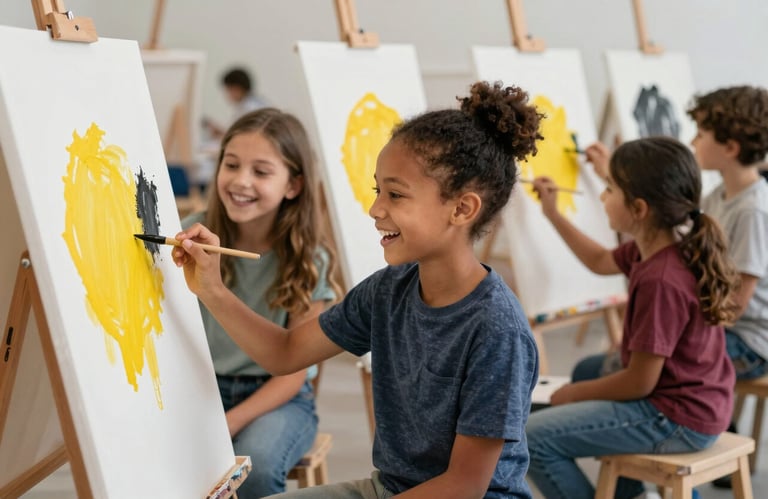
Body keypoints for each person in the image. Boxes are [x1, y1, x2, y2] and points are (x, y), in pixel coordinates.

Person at [173, 81, 542, 498]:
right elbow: (286, 352)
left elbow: (464, 486)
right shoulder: (389, 290)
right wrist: (213, 290)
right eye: (377, 191)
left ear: (462, 209)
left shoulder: (498, 329)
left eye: (395, 195)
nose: (375, 209)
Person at [526, 136, 739, 499]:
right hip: (700, 400)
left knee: (532, 437)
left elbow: (639, 383)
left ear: (638, 209)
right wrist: (553, 214)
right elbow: (598, 260)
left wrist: (572, 395)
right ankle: (633, 495)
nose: (601, 196)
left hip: (676, 418)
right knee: (589, 369)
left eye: (609, 188)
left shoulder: (662, 279)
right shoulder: (657, 247)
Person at [183, 108, 342, 498]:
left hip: (279, 399)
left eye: (261, 171)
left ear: (293, 185)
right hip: (202, 388)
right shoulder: (194, 236)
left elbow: (291, 374)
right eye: (231, 164)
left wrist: (231, 421)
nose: (240, 181)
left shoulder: (308, 259)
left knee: (257, 464)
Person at [686, 85, 768, 490]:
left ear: (730, 147)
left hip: (750, 340)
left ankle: (709, 451)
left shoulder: (753, 209)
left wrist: (689, 327)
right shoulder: (719, 195)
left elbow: (736, 304)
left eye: (701, 134)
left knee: (671, 365)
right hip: (725, 328)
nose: (693, 141)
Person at [204, 67, 269, 140]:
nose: (227, 95)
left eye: (228, 90)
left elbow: (243, 137)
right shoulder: (251, 103)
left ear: (237, 88)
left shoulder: (250, 108)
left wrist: (221, 133)